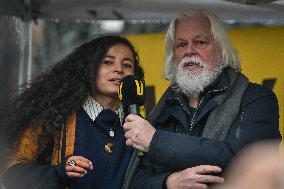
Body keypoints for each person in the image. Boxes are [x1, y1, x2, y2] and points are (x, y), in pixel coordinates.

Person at [122, 9, 281, 189]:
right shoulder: (164, 108)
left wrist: (155, 141)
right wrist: (168, 182)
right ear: (173, 55)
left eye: (200, 42)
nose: (189, 51)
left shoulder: (257, 98)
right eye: (181, 44)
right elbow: (134, 180)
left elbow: (244, 161)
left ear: (221, 49)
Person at [0, 35, 144, 189]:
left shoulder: (140, 126)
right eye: (107, 62)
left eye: (127, 65)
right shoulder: (55, 116)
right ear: (90, 68)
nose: (119, 69)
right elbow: (10, 172)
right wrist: (59, 173)